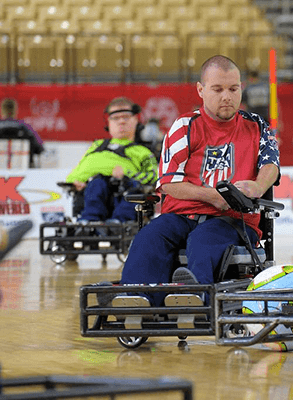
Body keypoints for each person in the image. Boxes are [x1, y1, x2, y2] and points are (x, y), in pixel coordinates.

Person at [117, 55, 280, 306]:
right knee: (149, 236)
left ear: (241, 89)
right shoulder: (184, 125)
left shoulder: (257, 125)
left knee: (203, 240)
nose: (227, 96)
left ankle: (191, 297)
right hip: (181, 215)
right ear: (201, 90)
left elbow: (271, 163)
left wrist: (258, 186)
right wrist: (212, 196)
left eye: (233, 89)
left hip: (233, 220)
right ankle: (135, 300)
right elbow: (169, 183)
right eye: (218, 89)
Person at [65, 97, 158, 224]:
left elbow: (154, 179)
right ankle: (90, 222)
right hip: (94, 190)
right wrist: (74, 182)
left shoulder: (143, 152)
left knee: (132, 189)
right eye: (115, 118)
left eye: (126, 117)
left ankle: (117, 223)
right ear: (108, 122)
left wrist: (127, 175)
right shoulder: (96, 146)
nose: (121, 122)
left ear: (136, 120)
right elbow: (76, 171)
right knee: (97, 183)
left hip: (125, 197)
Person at [0, 98, 44, 168]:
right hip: (24, 172)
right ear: (15, 111)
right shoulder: (26, 127)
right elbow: (40, 148)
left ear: (2, 110)